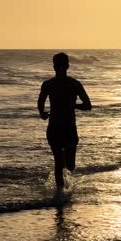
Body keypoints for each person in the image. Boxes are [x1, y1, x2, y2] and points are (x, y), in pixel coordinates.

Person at [38, 52, 92, 189]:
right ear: (54, 66)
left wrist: (72, 105)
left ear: (67, 66)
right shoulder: (48, 84)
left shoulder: (74, 84)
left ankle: (63, 163)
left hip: (69, 128)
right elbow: (40, 102)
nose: (60, 67)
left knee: (70, 165)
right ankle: (60, 196)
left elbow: (88, 105)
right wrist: (42, 113)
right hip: (54, 127)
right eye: (57, 64)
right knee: (58, 162)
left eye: (62, 64)